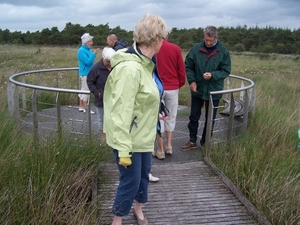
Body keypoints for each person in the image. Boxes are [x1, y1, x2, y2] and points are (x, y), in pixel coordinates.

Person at [103, 13, 168, 225]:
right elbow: (120, 112)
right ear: (156, 39)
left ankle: (138, 210)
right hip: (128, 139)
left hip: (144, 136)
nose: (163, 42)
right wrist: (123, 150)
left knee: (142, 177)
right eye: (163, 38)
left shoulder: (147, 63)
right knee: (129, 182)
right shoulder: (131, 69)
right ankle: (117, 220)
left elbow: (147, 96)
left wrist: (158, 108)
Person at [181, 26, 231, 151]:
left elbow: (226, 70)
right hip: (197, 90)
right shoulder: (196, 49)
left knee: (210, 118)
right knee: (194, 116)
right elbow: (188, 65)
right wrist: (192, 81)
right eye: (206, 40)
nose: (208, 43)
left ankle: (205, 143)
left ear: (216, 38)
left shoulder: (223, 52)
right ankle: (192, 140)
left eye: (210, 40)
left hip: (214, 90)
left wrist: (213, 75)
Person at [152, 37, 186, 160]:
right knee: (171, 116)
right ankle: (169, 145)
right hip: (173, 87)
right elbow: (181, 70)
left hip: (157, 87)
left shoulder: (152, 48)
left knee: (159, 118)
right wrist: (179, 84)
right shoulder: (175, 48)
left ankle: (160, 150)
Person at [87, 47, 115, 145]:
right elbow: (90, 82)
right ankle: (104, 140)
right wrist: (97, 93)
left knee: (114, 119)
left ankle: (113, 138)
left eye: (111, 61)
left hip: (114, 99)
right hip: (101, 99)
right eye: (108, 61)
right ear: (103, 58)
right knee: (102, 119)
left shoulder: (116, 66)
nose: (110, 63)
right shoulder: (96, 68)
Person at [77, 33, 99, 114]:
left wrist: (92, 54)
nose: (92, 42)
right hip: (85, 73)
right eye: (90, 41)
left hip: (88, 73)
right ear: (86, 42)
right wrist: (94, 54)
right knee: (86, 90)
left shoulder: (87, 50)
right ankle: (86, 108)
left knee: (83, 89)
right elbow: (87, 62)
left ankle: (81, 106)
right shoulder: (81, 51)